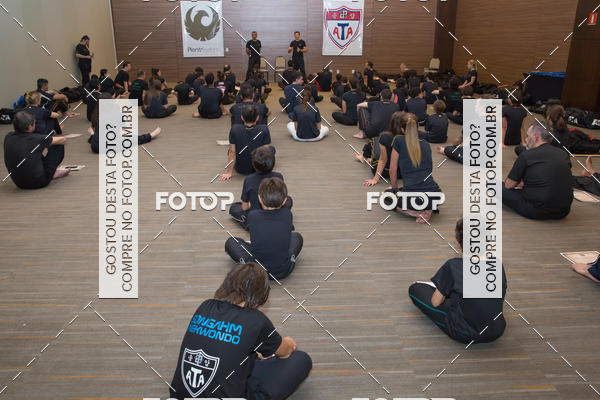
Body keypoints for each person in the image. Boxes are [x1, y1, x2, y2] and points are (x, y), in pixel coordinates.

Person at [169, 262, 312, 400]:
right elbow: (285, 352)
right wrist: (288, 342)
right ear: (260, 296)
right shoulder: (256, 320)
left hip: (179, 396)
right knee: (300, 360)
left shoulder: (205, 306)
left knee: (248, 359)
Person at [408, 218, 508, 344]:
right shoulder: (497, 264)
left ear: (458, 243)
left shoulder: (453, 266)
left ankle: (445, 287)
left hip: (465, 333)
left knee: (415, 288)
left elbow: (435, 302)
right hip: (496, 330)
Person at [225, 178, 303, 280]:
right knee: (297, 237)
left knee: (231, 242)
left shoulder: (253, 216)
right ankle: (290, 259)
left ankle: (249, 262)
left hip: (256, 272)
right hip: (284, 271)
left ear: (259, 198)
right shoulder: (287, 214)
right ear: (285, 200)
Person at [503, 122, 573, 220]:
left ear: (536, 136)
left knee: (494, 184)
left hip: (536, 210)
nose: (526, 139)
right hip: (563, 211)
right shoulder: (563, 154)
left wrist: (520, 183)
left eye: (528, 136)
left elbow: (508, 185)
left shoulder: (526, 155)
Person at [389, 113, 442, 223]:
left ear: (402, 129)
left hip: (413, 197)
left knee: (387, 197)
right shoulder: (426, 144)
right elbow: (429, 169)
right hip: (436, 194)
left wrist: (394, 189)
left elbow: (392, 169)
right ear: (417, 127)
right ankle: (428, 209)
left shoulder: (398, 140)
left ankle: (415, 212)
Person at [229, 147, 292, 230]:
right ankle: (277, 220)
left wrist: (251, 203)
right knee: (289, 200)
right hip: (275, 210)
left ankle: (255, 224)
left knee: (234, 207)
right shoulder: (278, 176)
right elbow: (280, 198)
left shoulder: (249, 179)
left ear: (253, 165)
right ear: (273, 163)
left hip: (256, 216)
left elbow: (244, 207)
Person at [3, 111, 69, 189]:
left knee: (31, 150)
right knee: (58, 145)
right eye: (34, 123)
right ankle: (51, 173)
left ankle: (45, 171)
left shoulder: (8, 136)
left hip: (19, 183)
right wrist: (47, 143)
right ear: (30, 126)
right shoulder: (36, 139)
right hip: (39, 182)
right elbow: (63, 140)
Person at [88, 93, 161, 153]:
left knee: (98, 136)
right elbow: (124, 131)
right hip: (111, 146)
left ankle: (93, 135)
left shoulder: (96, 114)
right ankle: (150, 135)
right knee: (132, 138)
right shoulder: (116, 114)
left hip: (96, 147)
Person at [219, 105, 272, 180]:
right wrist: (265, 172)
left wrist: (229, 173)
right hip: (258, 168)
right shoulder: (264, 128)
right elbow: (265, 152)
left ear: (242, 118)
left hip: (241, 169)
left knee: (230, 150)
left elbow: (232, 152)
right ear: (257, 118)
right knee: (271, 149)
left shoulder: (234, 128)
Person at [359, 111, 404, 186]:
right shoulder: (414, 137)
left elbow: (383, 160)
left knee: (374, 141)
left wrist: (375, 179)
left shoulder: (385, 137)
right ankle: (366, 158)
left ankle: (365, 158)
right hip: (403, 172)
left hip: (385, 172)